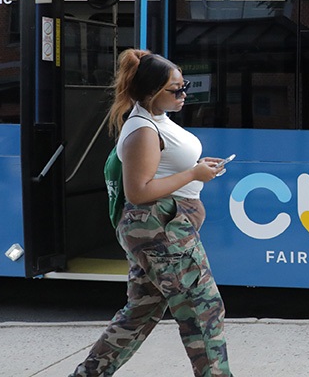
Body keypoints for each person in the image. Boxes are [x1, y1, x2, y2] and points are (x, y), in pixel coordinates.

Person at [71, 49, 231, 376]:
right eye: (175, 89)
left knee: (140, 312)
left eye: (184, 85)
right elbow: (139, 191)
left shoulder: (155, 119)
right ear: (150, 92)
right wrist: (192, 174)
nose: (184, 93)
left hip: (158, 229)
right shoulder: (143, 129)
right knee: (204, 312)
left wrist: (196, 167)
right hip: (162, 229)